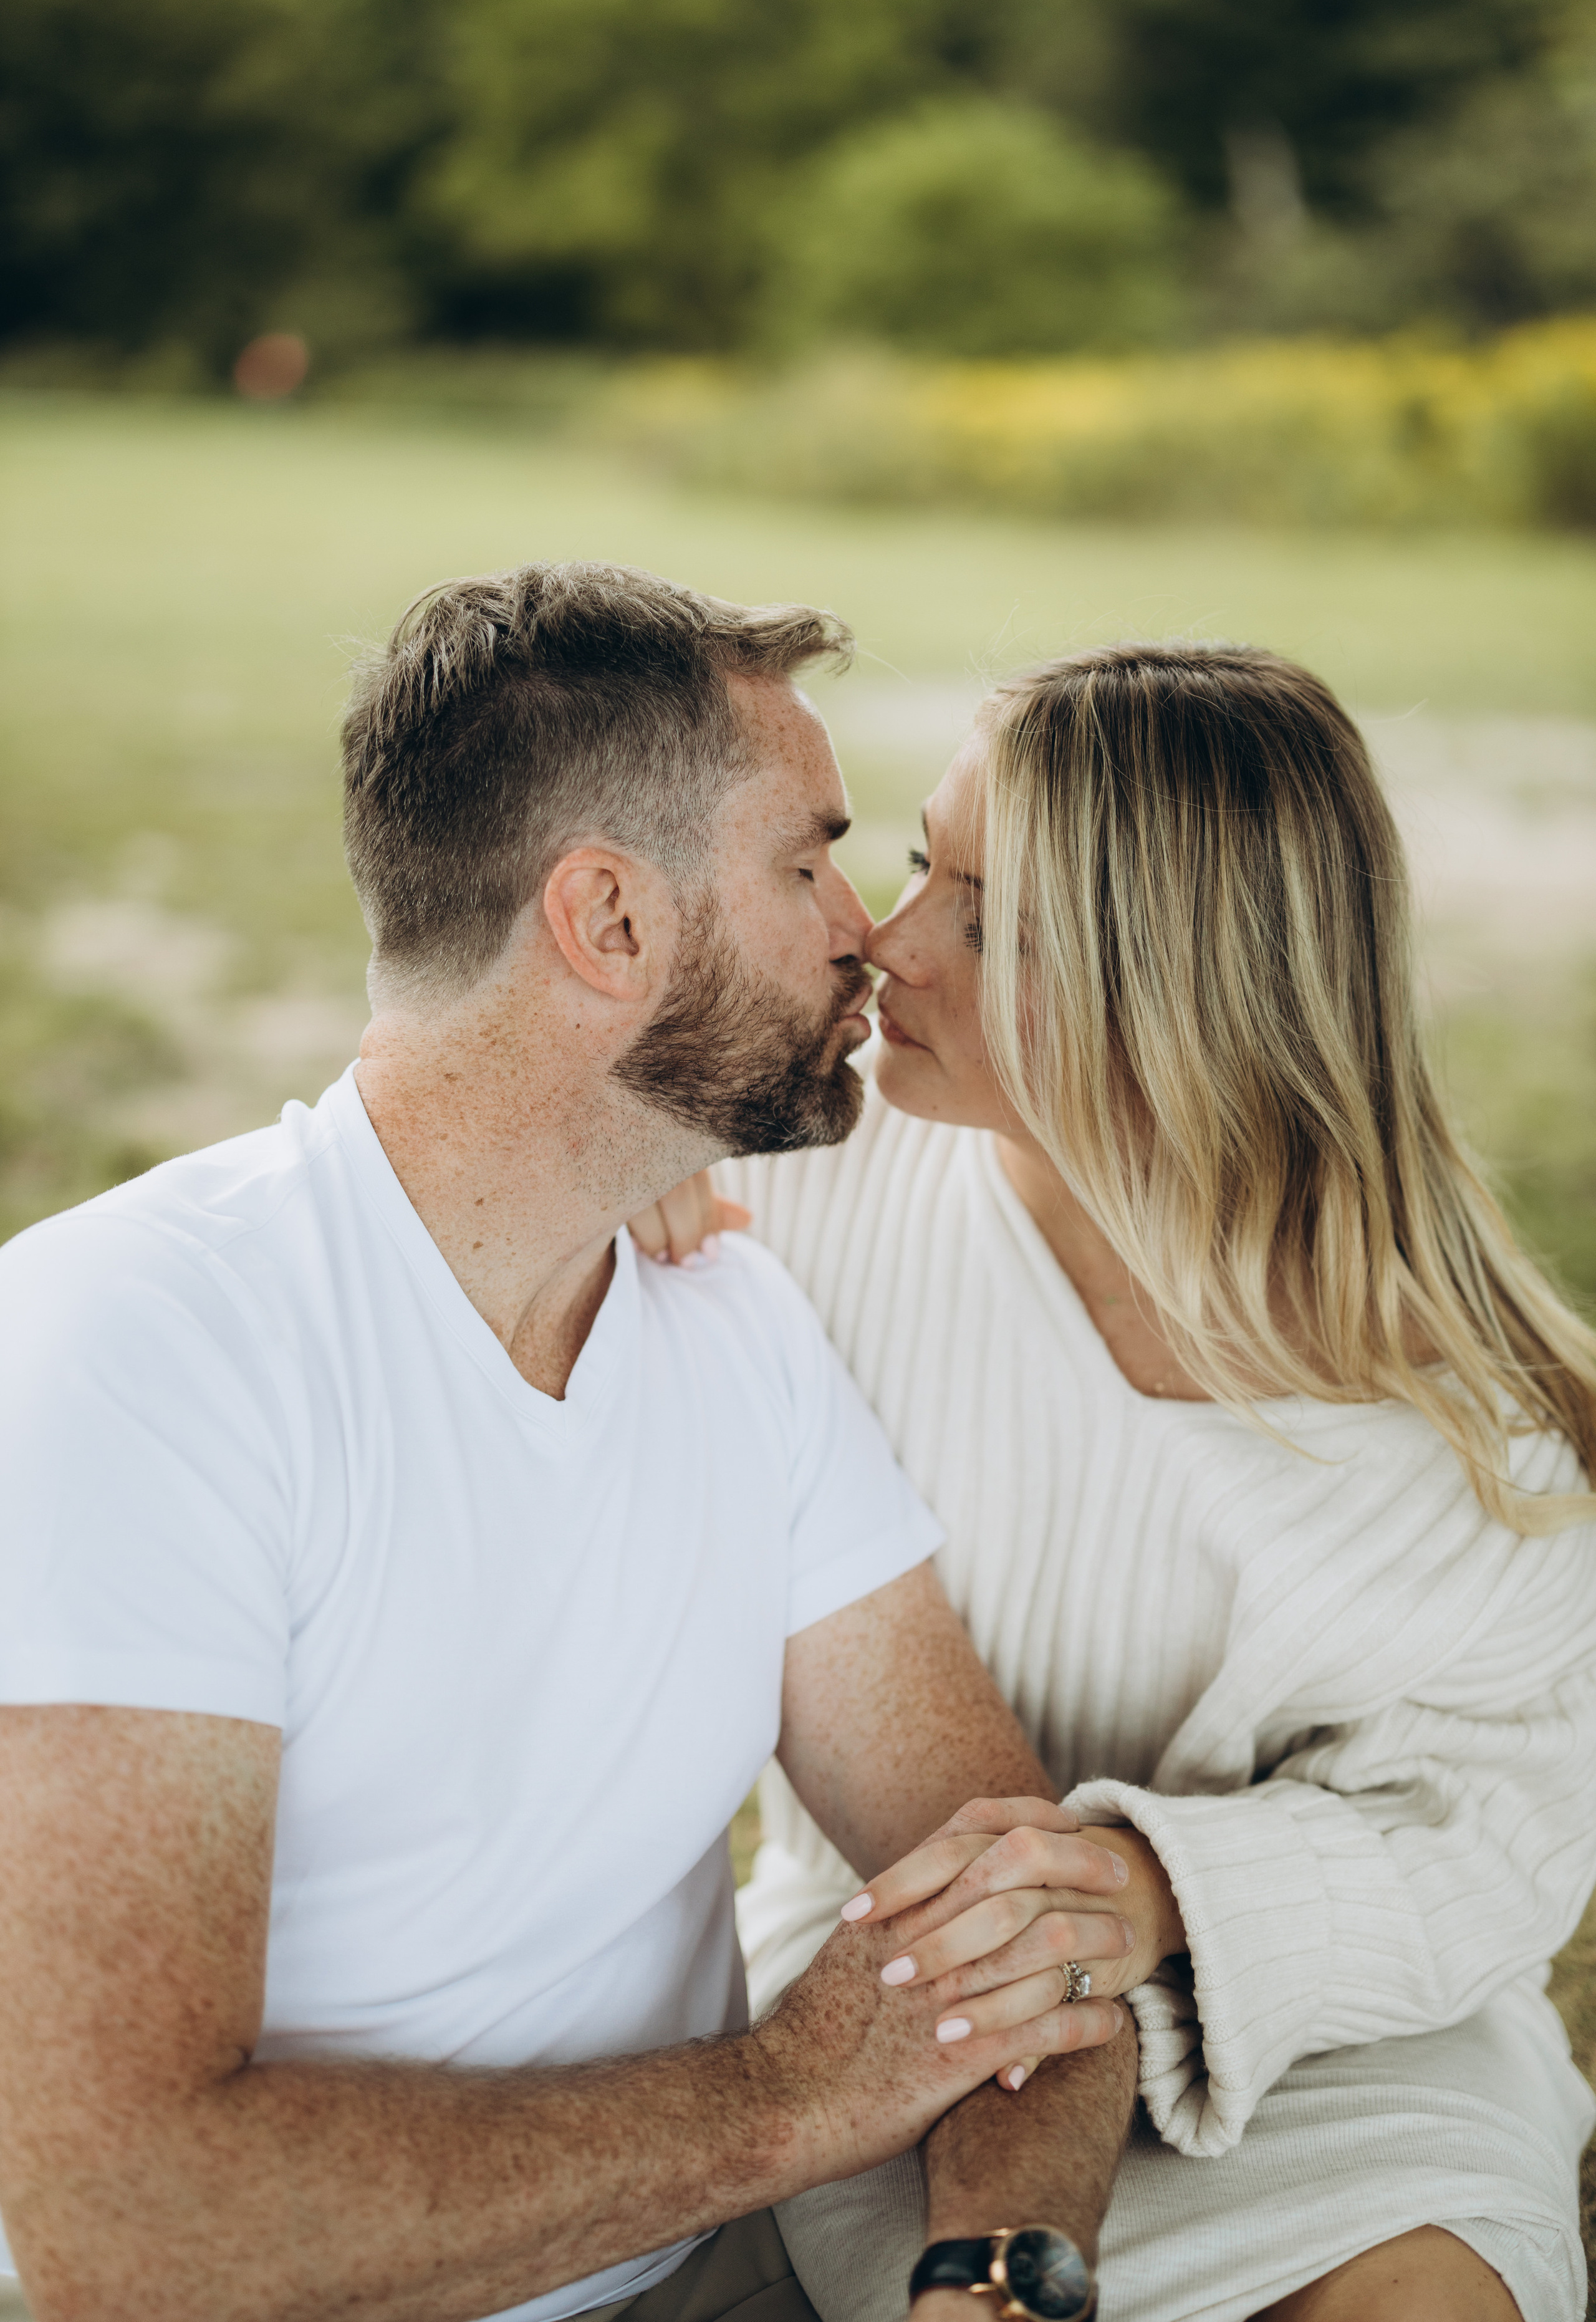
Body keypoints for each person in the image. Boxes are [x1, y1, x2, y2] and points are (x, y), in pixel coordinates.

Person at [0, 566, 1151, 2322]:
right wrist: (794, 2095)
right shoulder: (134, 1350)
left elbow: (1025, 1920)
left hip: (710, 2281)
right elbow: (137, 2232)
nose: (865, 929)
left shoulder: (734, 1327)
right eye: (805, 861)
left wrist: (991, 2281)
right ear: (608, 920)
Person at [640, 642, 1596, 2322]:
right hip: (909, 1990)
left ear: (1181, 991)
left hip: (1344, 2039)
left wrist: (1159, 1895)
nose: (890, 935)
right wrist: (619, 1186)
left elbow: (1492, 1838)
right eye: (924, 861)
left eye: (989, 915)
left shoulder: (1482, 1421)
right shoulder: (807, 1176)